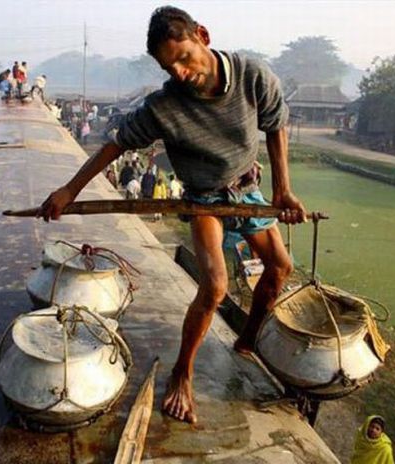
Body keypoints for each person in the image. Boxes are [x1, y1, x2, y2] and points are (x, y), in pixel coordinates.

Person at [38, 5, 306, 424]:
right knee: (215, 286)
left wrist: (284, 191)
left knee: (280, 269)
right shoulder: (163, 106)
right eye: (169, 67)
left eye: (183, 57)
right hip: (204, 200)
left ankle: (247, 340)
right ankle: (183, 371)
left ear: (203, 35)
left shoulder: (253, 76)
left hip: (247, 188)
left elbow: (275, 125)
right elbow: (117, 144)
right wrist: (70, 190)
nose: (179, 72)